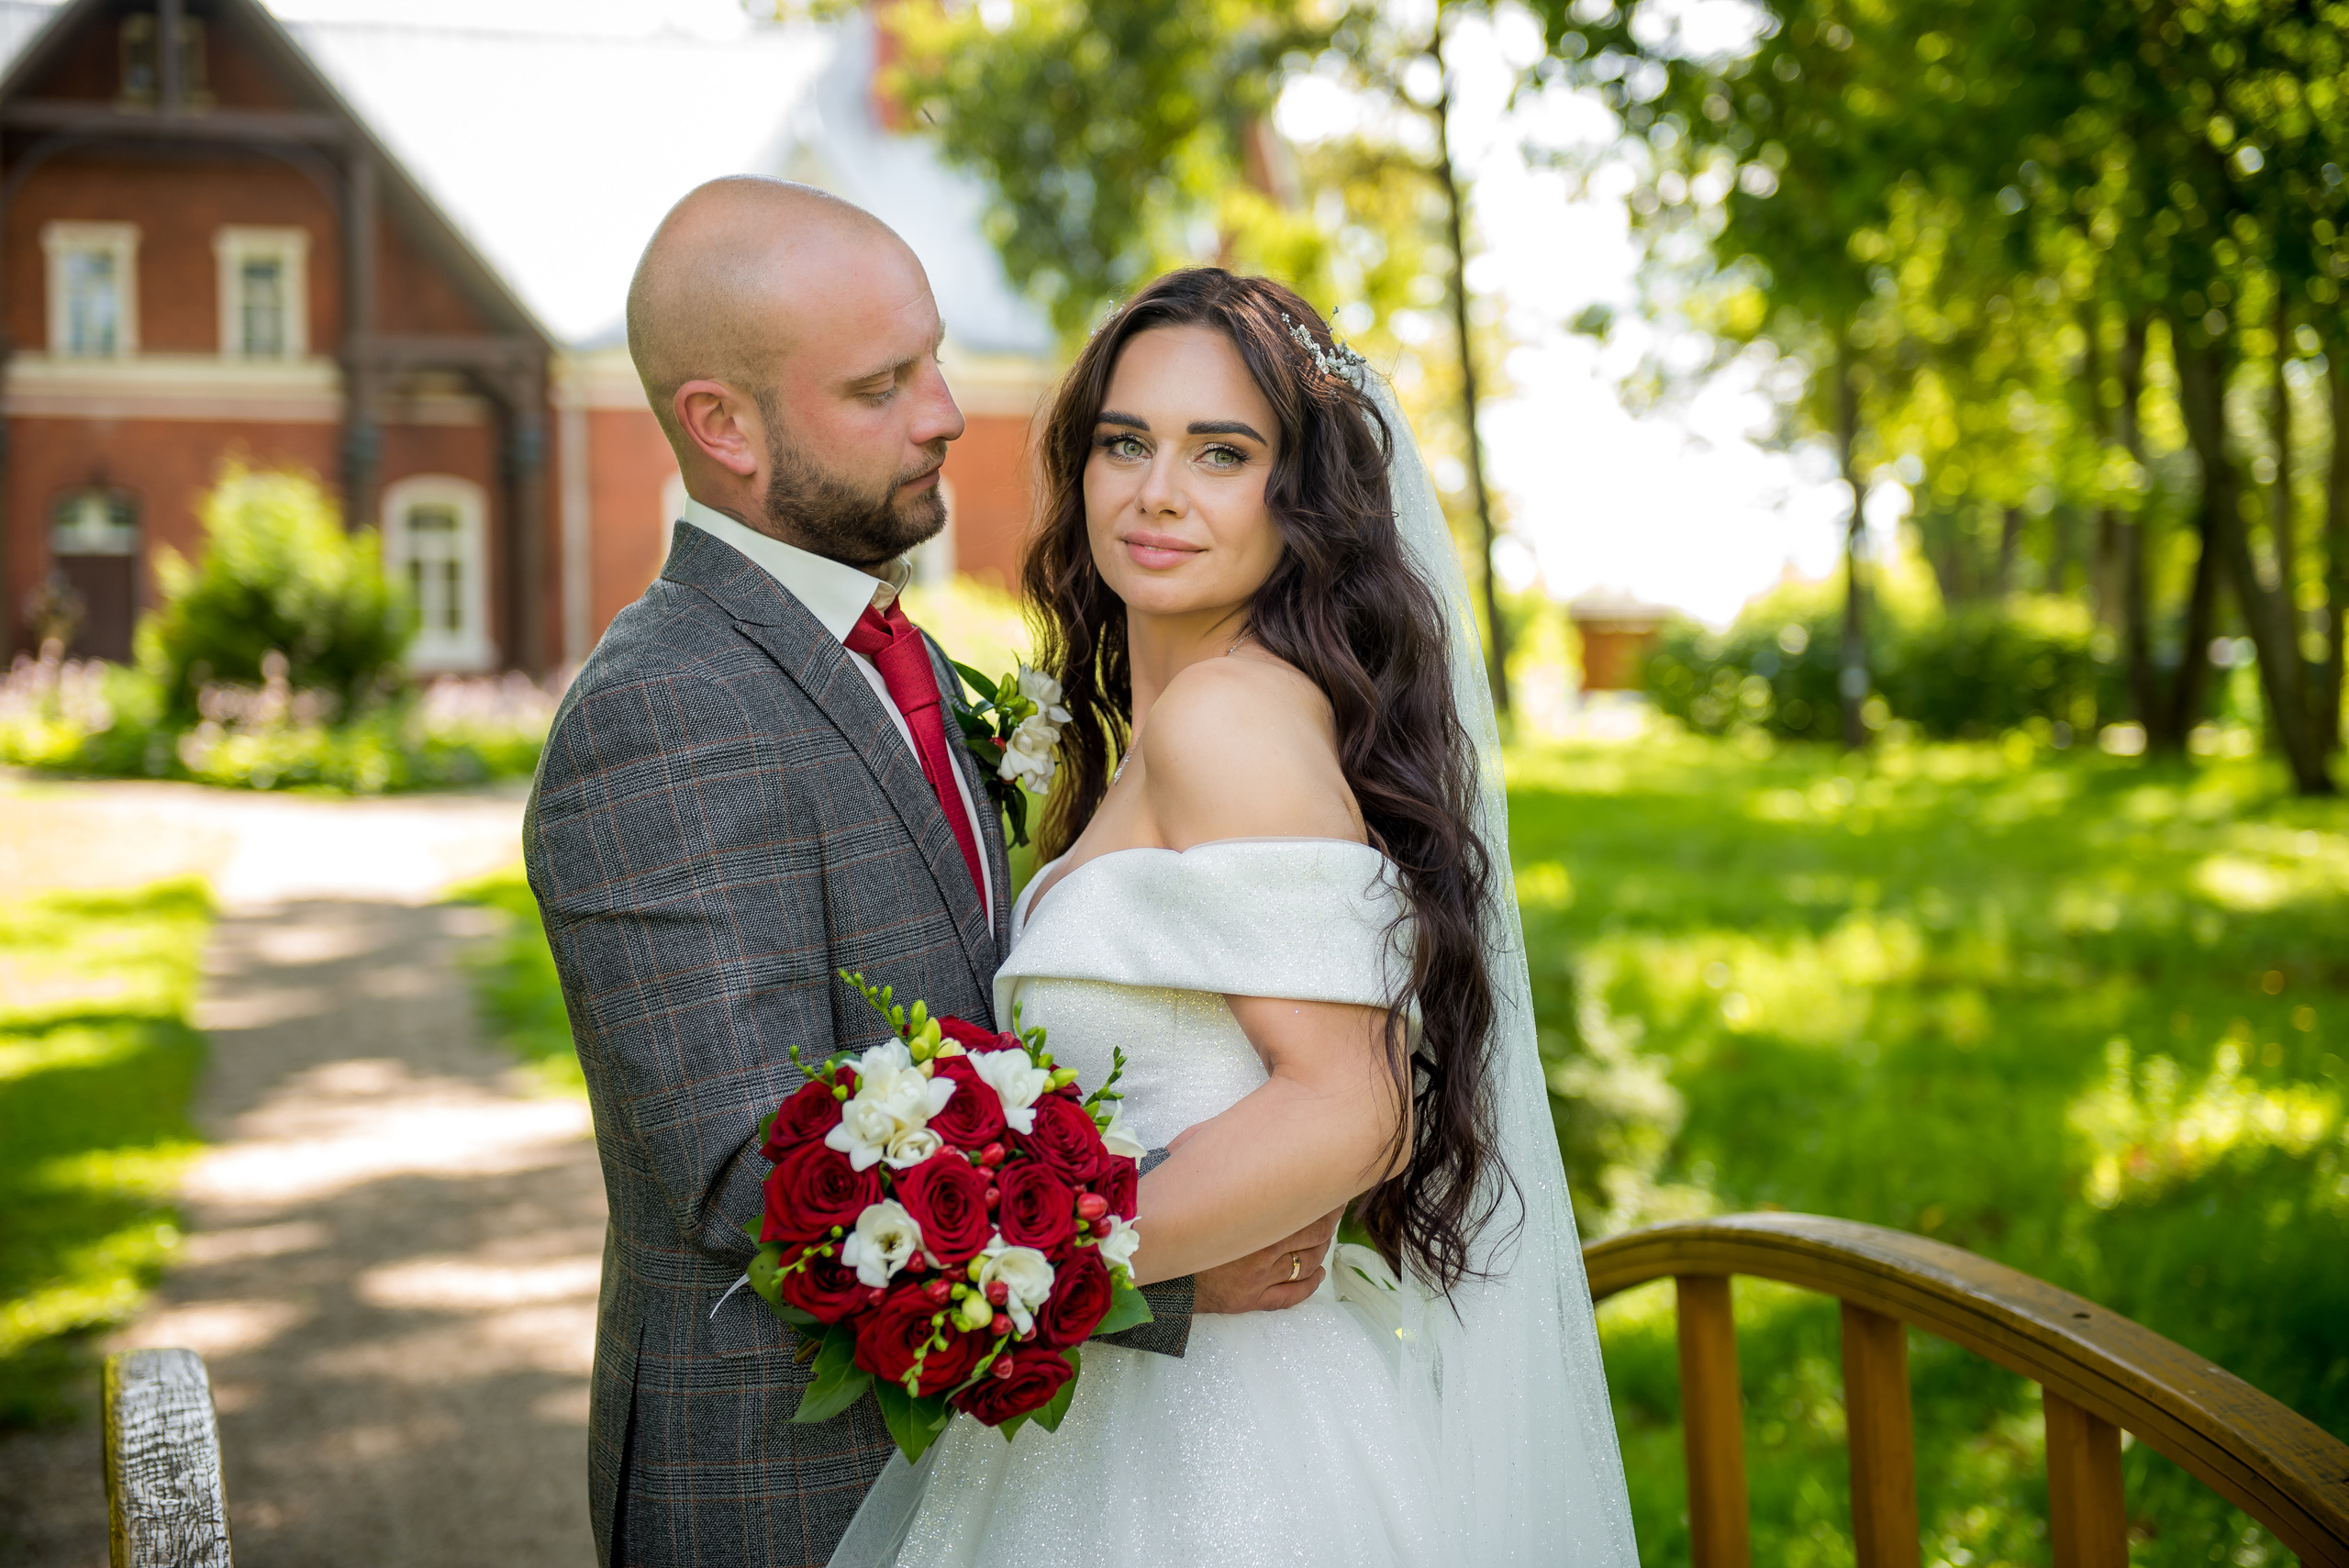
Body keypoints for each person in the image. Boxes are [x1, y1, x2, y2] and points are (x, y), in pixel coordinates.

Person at [524, 182, 1339, 1568]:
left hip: (995, 1462)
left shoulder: (885, 648)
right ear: (722, 426)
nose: (948, 409)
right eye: (882, 383)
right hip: (791, 1488)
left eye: (937, 356)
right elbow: (748, 1173)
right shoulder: (658, 710)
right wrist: (1158, 1254)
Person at [825, 269, 1638, 1566]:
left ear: (1297, 495)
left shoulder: (1227, 718)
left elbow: (1350, 1105)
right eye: (1124, 442)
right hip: (1142, 1392)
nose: (1156, 491)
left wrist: (1015, 1272)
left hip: (1223, 1441)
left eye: (1221, 452)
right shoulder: (1174, 719)